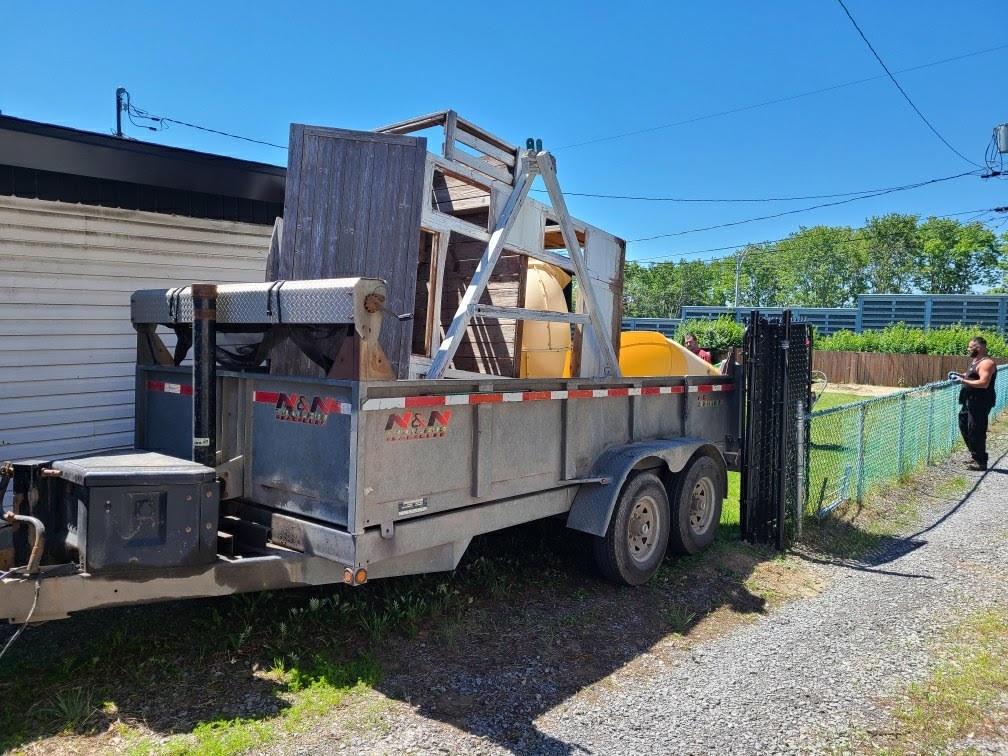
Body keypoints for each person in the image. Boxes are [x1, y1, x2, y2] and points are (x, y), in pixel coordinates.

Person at [952, 336, 997, 471]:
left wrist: (962, 381)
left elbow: (983, 383)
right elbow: (972, 374)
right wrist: (960, 375)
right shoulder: (976, 361)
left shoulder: (987, 363)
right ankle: (975, 455)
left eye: (970, 347)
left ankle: (981, 462)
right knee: (964, 425)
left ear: (979, 348)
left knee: (976, 430)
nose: (968, 349)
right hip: (969, 400)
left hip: (980, 402)